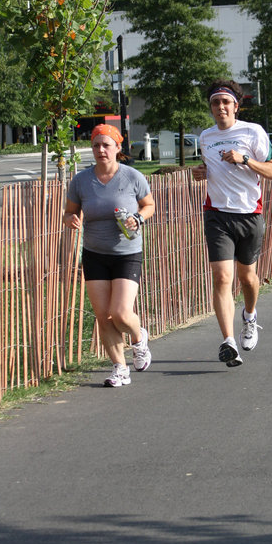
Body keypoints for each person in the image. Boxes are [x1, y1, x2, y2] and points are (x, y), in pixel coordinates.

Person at [192, 79, 272, 367]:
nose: (220, 107)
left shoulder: (252, 132)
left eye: (225, 102)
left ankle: (250, 316)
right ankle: (228, 341)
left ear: (236, 106)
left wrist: (245, 160)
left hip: (249, 215)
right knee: (221, 278)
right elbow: (209, 169)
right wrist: (201, 173)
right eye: (215, 102)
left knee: (247, 279)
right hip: (217, 214)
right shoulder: (205, 137)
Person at [63, 124, 155, 387]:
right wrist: (70, 218)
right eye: (96, 145)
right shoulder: (81, 181)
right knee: (103, 315)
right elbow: (69, 211)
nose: (101, 150)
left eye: (106, 145)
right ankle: (119, 368)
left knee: (121, 312)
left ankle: (139, 339)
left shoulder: (132, 176)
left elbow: (149, 205)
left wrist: (138, 218)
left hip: (127, 253)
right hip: (94, 253)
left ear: (118, 147)